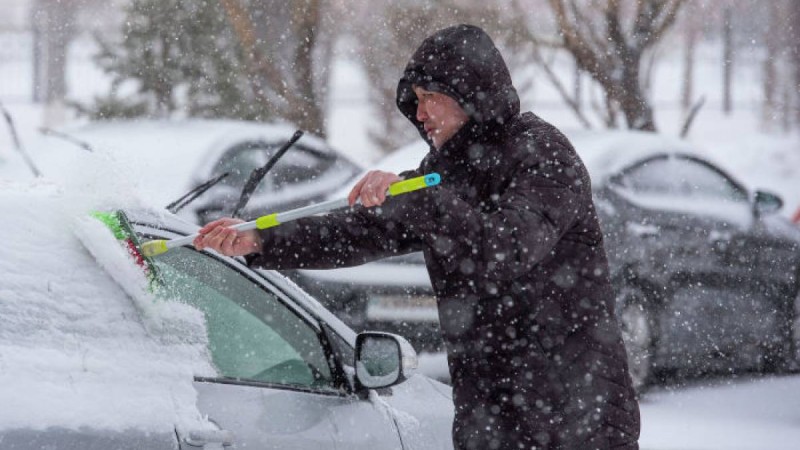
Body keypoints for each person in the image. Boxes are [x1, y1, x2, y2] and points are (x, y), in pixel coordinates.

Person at [194, 24, 640, 450]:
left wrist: (418, 200)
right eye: (417, 100)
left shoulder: (542, 153)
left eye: (431, 98)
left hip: (576, 416)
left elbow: (507, 248)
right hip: (489, 416)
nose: (420, 112)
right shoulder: (445, 172)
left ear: (472, 94)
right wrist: (261, 239)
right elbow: (358, 231)